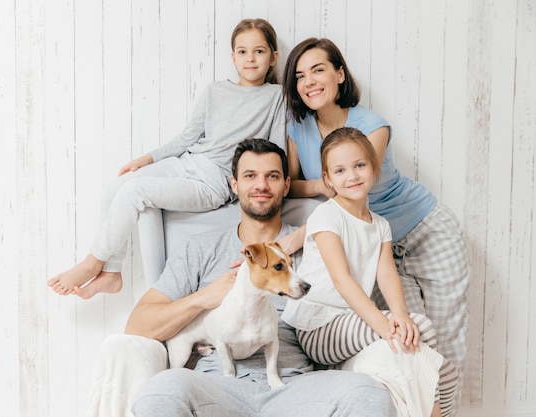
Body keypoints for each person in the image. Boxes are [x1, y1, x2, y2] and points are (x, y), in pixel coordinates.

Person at [84, 139, 396, 417]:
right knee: (161, 391)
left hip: (293, 384)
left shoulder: (316, 244)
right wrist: (203, 298)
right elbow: (138, 325)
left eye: (272, 176)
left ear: (287, 185)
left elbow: (356, 283)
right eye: (250, 176)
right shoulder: (202, 249)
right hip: (216, 385)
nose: (261, 184)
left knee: (367, 394)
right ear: (234, 184)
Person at [279, 37, 470, 406]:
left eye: (318, 69)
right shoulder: (297, 126)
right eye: (300, 75)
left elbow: (350, 191)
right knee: (409, 333)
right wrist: (320, 184)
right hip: (375, 250)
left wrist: (297, 237)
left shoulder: (373, 126)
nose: (309, 81)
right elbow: (293, 186)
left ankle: (444, 411)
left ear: (339, 74)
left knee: (442, 335)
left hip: (421, 228)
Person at [47, 18, 287, 299]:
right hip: (186, 162)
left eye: (259, 51)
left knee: (135, 192)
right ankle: (111, 272)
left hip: (213, 183)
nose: (250, 59)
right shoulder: (215, 91)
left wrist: (271, 186)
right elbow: (189, 136)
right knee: (114, 188)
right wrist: (148, 158)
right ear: (233, 57)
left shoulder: (276, 96)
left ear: (273, 57)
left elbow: (277, 148)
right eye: (243, 52)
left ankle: (92, 261)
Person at [281, 127, 457, 417]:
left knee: (443, 370)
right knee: (421, 329)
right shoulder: (326, 216)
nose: (352, 176)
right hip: (319, 326)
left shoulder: (380, 224)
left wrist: (399, 313)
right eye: (340, 170)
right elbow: (341, 279)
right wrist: (384, 325)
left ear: (374, 168)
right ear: (328, 179)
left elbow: (387, 274)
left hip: (351, 324)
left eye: (359, 165)